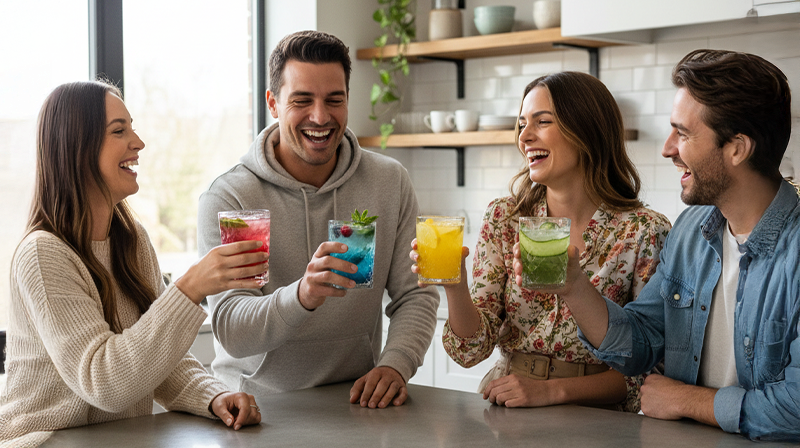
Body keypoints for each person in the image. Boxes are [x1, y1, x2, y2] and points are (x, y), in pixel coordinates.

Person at [520, 49, 800, 441]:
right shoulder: (691, 231)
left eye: (683, 133)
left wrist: (687, 401)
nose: (668, 148)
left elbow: (795, 408)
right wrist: (573, 286)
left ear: (737, 148)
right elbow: (639, 344)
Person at [0, 81, 263, 446]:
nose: (138, 142)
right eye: (119, 131)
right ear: (78, 148)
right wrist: (189, 289)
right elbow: (103, 382)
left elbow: (156, 360)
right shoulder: (43, 255)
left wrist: (213, 396)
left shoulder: (131, 240)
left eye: (132, 128)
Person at [197, 30, 439, 409]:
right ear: (273, 104)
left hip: (358, 403)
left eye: (334, 100)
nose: (320, 116)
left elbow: (415, 294)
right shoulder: (236, 198)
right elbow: (233, 328)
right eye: (302, 100)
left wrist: (396, 365)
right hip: (255, 409)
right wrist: (303, 295)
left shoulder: (388, 182)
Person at [411, 71, 671, 411]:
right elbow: (469, 351)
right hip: (508, 407)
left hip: (598, 422)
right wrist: (455, 286)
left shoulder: (643, 231)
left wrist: (552, 391)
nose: (525, 137)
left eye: (542, 122)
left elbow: (648, 373)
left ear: (586, 130)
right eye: (522, 124)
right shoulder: (505, 219)